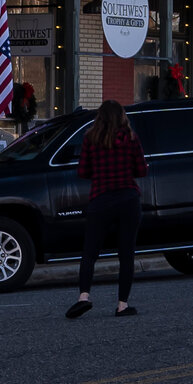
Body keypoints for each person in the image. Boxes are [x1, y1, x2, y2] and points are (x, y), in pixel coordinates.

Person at [66, 100, 147, 319]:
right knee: (126, 254)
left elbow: (83, 171)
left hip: (100, 199)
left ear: (100, 117)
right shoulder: (130, 138)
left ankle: (84, 297)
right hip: (128, 198)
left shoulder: (90, 139)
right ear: (122, 116)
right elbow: (141, 170)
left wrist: (100, 172)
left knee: (90, 252)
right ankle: (122, 305)